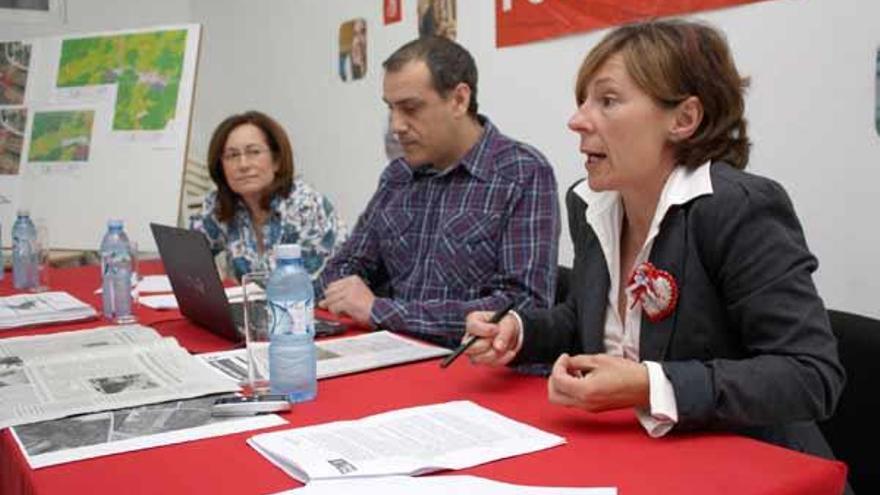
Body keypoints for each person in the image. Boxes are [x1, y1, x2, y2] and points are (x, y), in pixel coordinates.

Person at [463, 19, 845, 460]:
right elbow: (590, 319)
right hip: (639, 453)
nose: (576, 120)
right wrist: (521, 332)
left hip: (753, 465)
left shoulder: (739, 209)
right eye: (582, 101)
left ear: (683, 119)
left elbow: (811, 375)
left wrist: (650, 385)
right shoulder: (590, 203)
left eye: (607, 100)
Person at [317, 36, 560, 348]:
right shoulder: (398, 176)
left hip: (474, 369)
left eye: (410, 108)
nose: (396, 126)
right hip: (392, 356)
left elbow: (522, 308)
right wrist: (353, 294)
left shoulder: (522, 173)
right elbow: (342, 268)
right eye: (391, 109)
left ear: (459, 99)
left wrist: (381, 310)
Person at [190, 111, 346, 281]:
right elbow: (186, 255)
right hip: (251, 305)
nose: (243, 165)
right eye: (232, 155)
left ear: (276, 160)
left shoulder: (306, 206)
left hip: (313, 305)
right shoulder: (220, 203)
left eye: (254, 152)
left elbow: (300, 286)